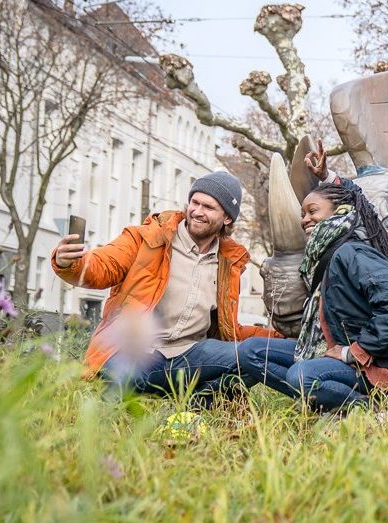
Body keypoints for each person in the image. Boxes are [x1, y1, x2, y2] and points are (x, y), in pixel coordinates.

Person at [51, 171, 278, 401]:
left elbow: (230, 329)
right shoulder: (147, 238)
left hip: (189, 355)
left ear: (227, 218)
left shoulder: (228, 265)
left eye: (208, 207)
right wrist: (71, 263)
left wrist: (284, 339)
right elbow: (102, 266)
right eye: (195, 202)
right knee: (128, 374)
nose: (197, 212)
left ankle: (197, 405)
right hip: (133, 354)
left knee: (256, 356)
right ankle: (133, 392)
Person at [238, 141, 388, 413]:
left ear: (341, 214)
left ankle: (375, 410)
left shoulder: (352, 252)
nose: (304, 220)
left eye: (313, 212)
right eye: (303, 214)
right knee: (251, 351)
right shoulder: (322, 257)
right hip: (327, 351)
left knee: (301, 376)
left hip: (367, 365)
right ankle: (330, 402)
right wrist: (326, 178)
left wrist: (356, 351)